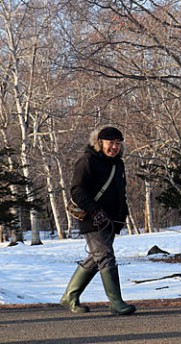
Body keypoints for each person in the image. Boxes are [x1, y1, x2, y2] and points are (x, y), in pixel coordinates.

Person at [60, 126, 136, 316]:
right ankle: (116, 303)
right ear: (99, 142)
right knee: (105, 256)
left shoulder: (118, 164)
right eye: (111, 143)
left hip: (111, 221)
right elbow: (77, 191)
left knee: (96, 258)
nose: (115, 147)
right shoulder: (87, 161)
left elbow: (120, 192)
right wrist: (96, 211)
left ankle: (69, 296)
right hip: (92, 218)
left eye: (118, 144)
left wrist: (122, 216)